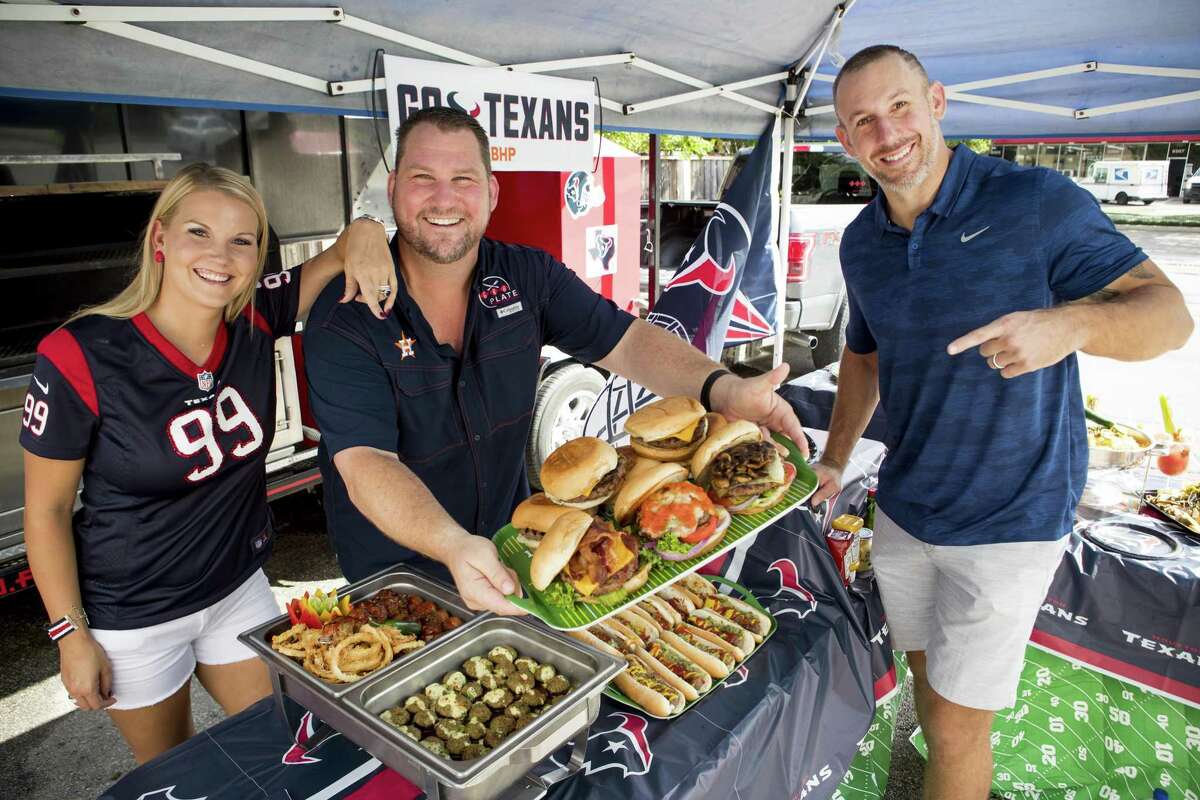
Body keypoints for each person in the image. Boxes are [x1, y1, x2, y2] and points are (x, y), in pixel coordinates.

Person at [811, 45, 1193, 800]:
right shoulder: (861, 243)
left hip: (1011, 518)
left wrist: (1071, 326)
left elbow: (1170, 317)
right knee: (930, 700)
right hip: (908, 509)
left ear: (937, 103)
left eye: (899, 108)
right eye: (863, 122)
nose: (887, 134)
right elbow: (863, 357)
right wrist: (835, 457)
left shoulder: (1033, 202)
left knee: (955, 728)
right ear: (846, 142)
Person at [303, 106, 807, 613]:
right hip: (399, 586)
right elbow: (366, 462)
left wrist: (726, 389)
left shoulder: (529, 276)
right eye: (422, 178)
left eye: (464, 179)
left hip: (516, 559)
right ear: (392, 188)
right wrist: (453, 544)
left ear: (492, 192)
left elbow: (627, 341)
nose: (444, 198)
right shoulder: (344, 315)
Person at [20, 163, 393, 763]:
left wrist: (370, 229)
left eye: (241, 241)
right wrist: (70, 634)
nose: (220, 255)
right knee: (181, 772)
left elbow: (347, 248)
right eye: (199, 232)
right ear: (160, 239)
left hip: (237, 590)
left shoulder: (254, 317)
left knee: (294, 747)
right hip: (136, 614)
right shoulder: (80, 353)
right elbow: (47, 509)